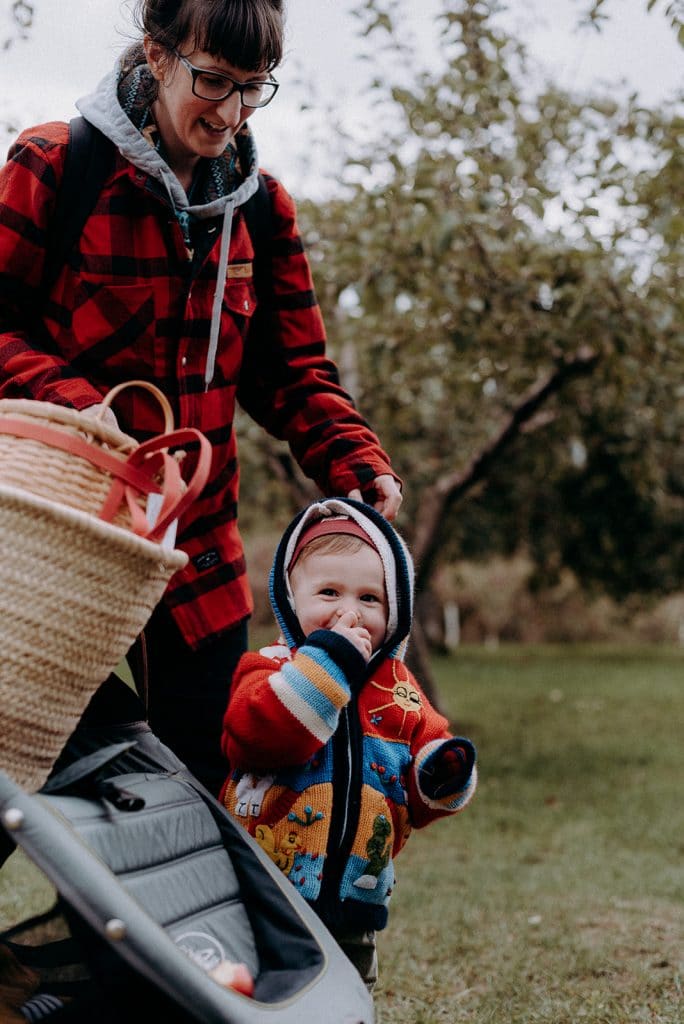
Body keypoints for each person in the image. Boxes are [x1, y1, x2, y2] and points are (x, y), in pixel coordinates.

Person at [0, 0, 402, 795]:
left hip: (197, 555)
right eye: (212, 80)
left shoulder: (259, 210)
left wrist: (352, 456)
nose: (232, 111)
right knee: (20, 770)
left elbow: (292, 372)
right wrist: (82, 408)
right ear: (156, 55)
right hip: (58, 538)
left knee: (204, 799)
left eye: (255, 88)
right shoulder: (55, 166)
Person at [219, 497, 477, 991]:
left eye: (369, 599)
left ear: (395, 608)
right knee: (270, 998)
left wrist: (442, 773)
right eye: (329, 592)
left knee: (346, 996)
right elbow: (261, 739)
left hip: (358, 894)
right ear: (292, 598)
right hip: (268, 893)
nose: (348, 612)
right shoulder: (269, 669)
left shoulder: (399, 689)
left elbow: (422, 784)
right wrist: (328, 663)